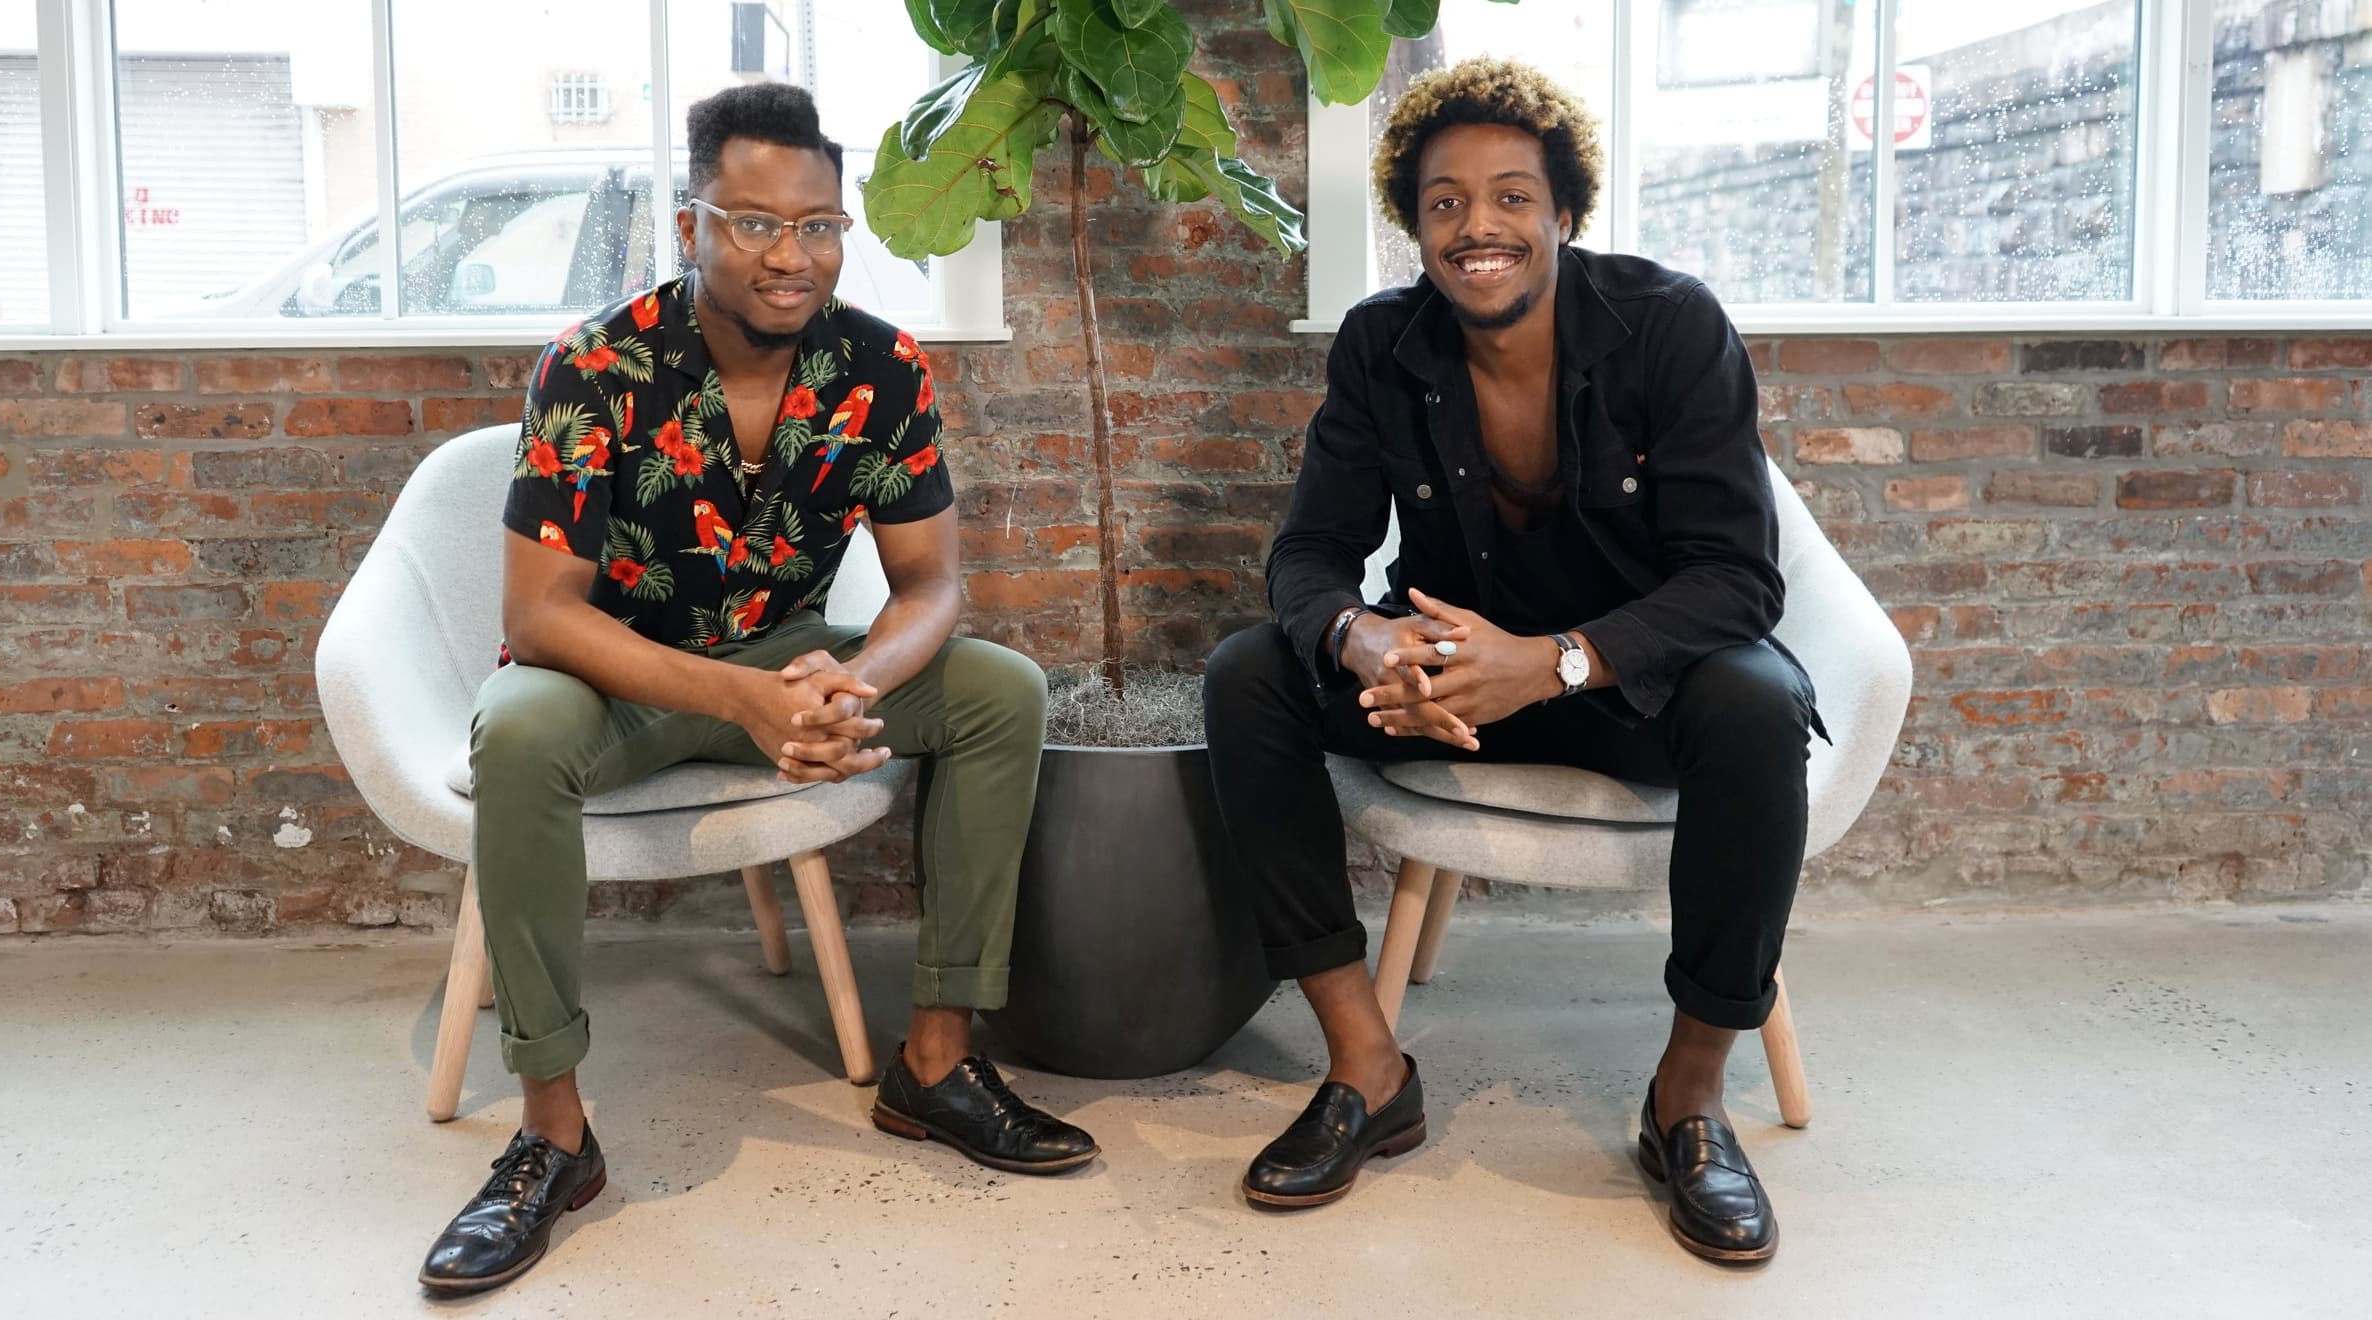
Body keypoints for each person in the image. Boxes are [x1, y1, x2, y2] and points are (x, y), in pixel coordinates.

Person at [418, 84, 1096, 1297]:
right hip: (618, 670)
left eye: (819, 226)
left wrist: (849, 680)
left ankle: (934, 1065)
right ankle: (552, 1137)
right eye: (754, 224)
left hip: (785, 654)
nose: (791, 256)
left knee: (1001, 691)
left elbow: (933, 587)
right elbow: (539, 617)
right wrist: (745, 707)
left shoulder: (878, 365)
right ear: (691, 228)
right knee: (514, 736)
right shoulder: (593, 366)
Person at [1202, 57, 1823, 1264]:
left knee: (1756, 703)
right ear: (1415, 225)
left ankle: (1684, 1104)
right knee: (1247, 674)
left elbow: (1737, 579)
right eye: (1443, 204)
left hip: (1622, 683)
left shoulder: (1668, 326)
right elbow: (1309, 556)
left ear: (1563, 213)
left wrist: (1552, 663)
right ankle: (1365, 1067)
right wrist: (1365, 639)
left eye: (1507, 199)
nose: (1474, 227)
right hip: (1446, 684)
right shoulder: (1381, 345)